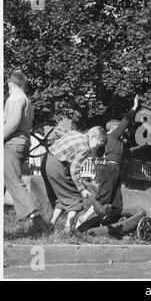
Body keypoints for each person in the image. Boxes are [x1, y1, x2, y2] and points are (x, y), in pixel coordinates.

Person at [76, 95, 140, 227]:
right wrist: (134, 107)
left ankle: (111, 224)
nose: (124, 131)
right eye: (120, 129)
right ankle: (83, 220)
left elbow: (95, 155)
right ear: (112, 129)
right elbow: (125, 121)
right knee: (103, 199)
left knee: (117, 201)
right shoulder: (113, 135)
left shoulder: (111, 141)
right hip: (110, 169)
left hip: (112, 170)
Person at [4, 70, 52, 232]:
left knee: (13, 180)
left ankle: (35, 218)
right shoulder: (27, 100)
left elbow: (13, 123)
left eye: (8, 86)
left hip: (11, 142)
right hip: (22, 142)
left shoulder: (16, 98)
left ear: (11, 84)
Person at [40, 126, 107, 233]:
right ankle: (68, 229)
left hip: (46, 161)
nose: (97, 148)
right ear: (93, 137)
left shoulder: (75, 133)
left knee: (63, 196)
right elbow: (74, 170)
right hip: (57, 166)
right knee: (75, 198)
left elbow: (58, 131)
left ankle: (51, 224)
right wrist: (82, 189)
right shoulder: (85, 148)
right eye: (98, 145)